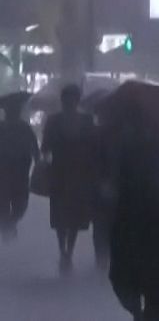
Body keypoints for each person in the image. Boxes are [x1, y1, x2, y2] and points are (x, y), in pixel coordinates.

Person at [105, 99, 159, 321]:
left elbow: (109, 174)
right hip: (151, 207)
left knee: (123, 267)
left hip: (126, 209)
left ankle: (138, 312)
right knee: (154, 267)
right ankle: (149, 312)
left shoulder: (117, 138)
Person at [42, 84, 97, 273]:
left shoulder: (86, 120)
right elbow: (45, 147)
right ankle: (62, 250)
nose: (69, 102)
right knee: (60, 216)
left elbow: (93, 146)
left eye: (72, 98)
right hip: (60, 173)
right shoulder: (53, 121)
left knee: (74, 216)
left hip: (80, 174)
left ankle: (69, 252)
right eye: (67, 98)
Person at [0, 97, 37, 239]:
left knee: (16, 203)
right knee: (16, 202)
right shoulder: (23, 128)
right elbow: (35, 149)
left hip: (14, 171)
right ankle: (8, 225)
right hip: (12, 172)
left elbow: (34, 148)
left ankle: (8, 224)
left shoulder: (24, 128)